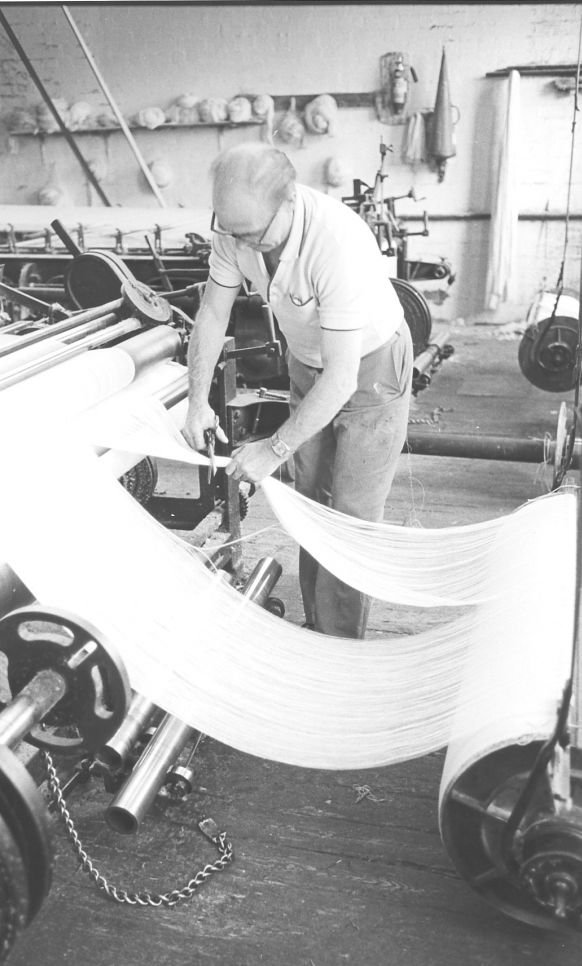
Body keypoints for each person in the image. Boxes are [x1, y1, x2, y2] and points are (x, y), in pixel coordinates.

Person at [182, 143, 412, 639]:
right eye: (230, 231)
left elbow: (343, 378)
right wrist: (196, 400)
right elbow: (213, 312)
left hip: (371, 368)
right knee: (313, 501)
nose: (241, 243)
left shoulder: (336, 243)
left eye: (252, 234)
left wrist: (273, 447)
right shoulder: (237, 227)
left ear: (289, 200)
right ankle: (318, 625)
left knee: (350, 516)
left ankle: (338, 648)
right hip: (309, 362)